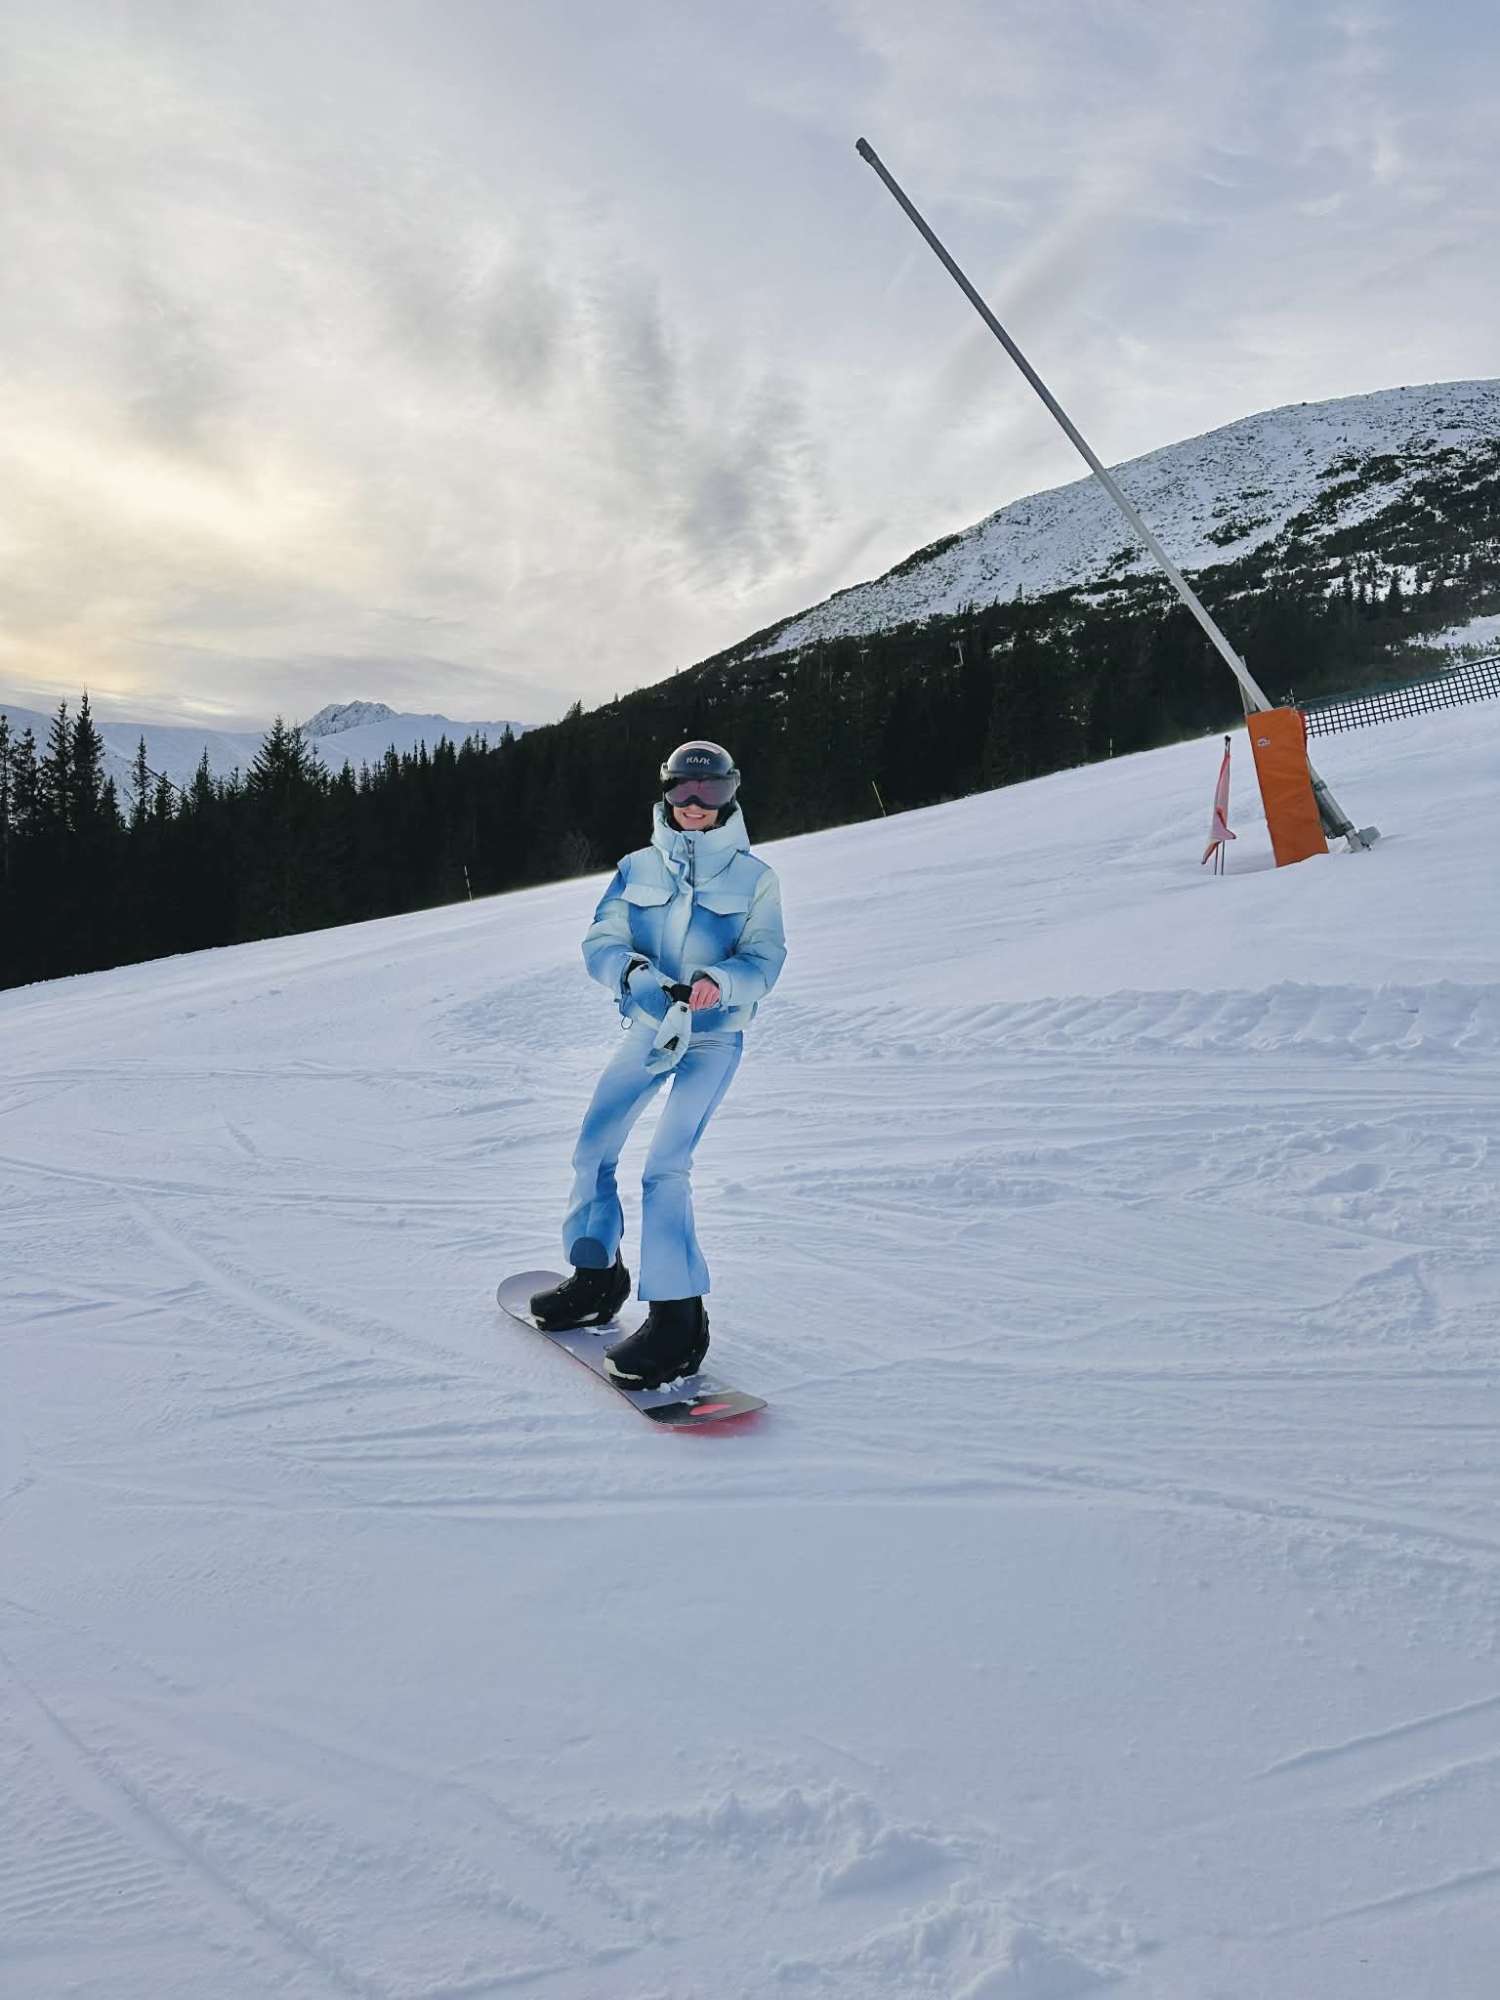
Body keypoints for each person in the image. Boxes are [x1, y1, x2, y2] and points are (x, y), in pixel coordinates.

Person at [530, 740, 787, 1387]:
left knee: (664, 1168)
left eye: (711, 793)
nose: (695, 805)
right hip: (649, 1027)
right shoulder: (636, 867)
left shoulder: (755, 880)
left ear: (730, 795)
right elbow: (601, 939)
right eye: (683, 792)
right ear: (666, 795)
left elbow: (766, 960)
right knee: (595, 1148)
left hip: (711, 1038)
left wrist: (720, 981)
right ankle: (596, 1275)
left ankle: (678, 1319)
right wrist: (633, 971)